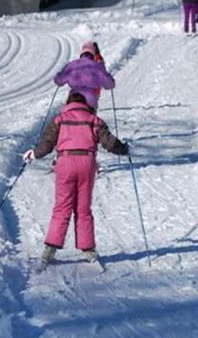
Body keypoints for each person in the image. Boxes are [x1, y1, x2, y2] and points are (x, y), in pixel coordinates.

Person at [23, 91, 129, 267]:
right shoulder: (93, 119)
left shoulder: (60, 119)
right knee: (83, 208)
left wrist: (34, 154)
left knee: (62, 207)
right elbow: (108, 142)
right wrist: (124, 149)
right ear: (84, 103)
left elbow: (47, 143)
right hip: (86, 163)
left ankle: (49, 250)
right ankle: (89, 251)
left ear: (68, 103)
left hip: (65, 163)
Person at [54, 41, 115, 110]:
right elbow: (109, 84)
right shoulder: (97, 65)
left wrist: (59, 75)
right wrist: (111, 81)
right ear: (93, 53)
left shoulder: (72, 64)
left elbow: (59, 80)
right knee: (89, 118)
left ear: (82, 53)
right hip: (90, 99)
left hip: (73, 97)